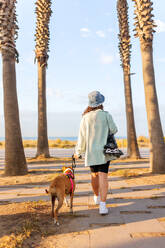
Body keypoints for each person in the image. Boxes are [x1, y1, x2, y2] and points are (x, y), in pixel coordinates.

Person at [74, 91, 118, 215]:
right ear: (101, 103)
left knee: (94, 175)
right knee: (103, 176)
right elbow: (114, 129)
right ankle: (103, 206)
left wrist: (78, 152)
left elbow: (81, 137)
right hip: (104, 152)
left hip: (91, 152)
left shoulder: (85, 118)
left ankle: (96, 197)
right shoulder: (106, 115)